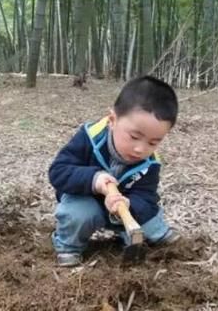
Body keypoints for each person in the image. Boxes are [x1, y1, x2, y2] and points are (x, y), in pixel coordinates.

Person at [49, 76, 180, 267]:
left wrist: (128, 204)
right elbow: (58, 172)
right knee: (76, 214)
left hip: (122, 209)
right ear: (112, 120)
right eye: (134, 136)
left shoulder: (150, 164)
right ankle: (68, 245)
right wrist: (94, 179)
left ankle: (145, 234)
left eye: (154, 142)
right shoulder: (89, 138)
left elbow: (146, 196)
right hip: (86, 201)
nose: (140, 149)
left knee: (150, 224)